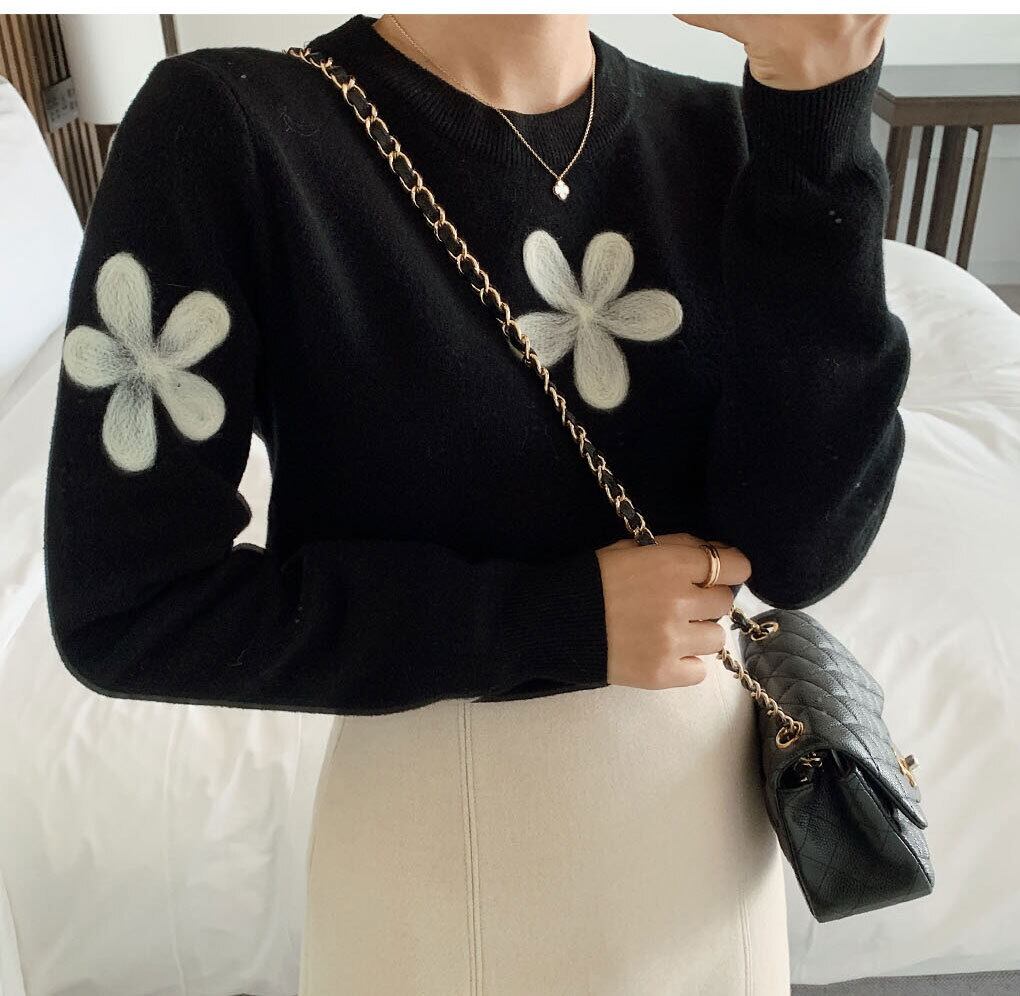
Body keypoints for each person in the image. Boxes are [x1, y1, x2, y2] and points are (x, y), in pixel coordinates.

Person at [43, 11, 905, 994]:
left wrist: (819, 110)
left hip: (708, 851)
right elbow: (128, 608)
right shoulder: (235, 128)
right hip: (447, 859)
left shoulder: (728, 134)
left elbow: (799, 551)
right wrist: (559, 619)